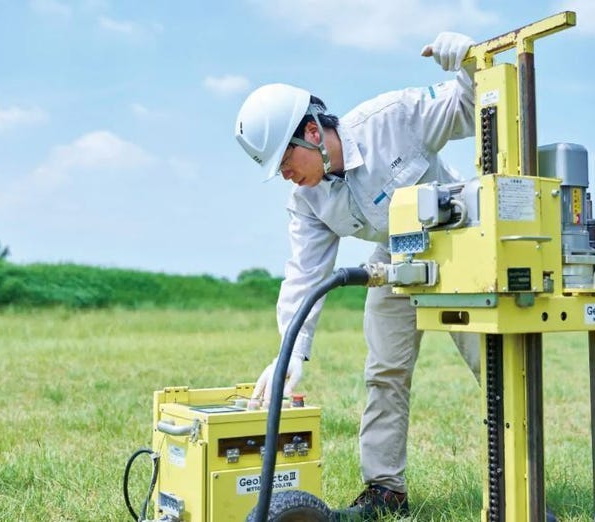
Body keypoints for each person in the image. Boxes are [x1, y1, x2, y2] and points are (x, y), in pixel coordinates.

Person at [234, 32, 481, 520]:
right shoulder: (307, 200)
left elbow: (471, 109)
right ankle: (385, 490)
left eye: (285, 161)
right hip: (397, 253)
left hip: (461, 242)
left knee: (495, 370)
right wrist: (291, 353)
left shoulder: (394, 119)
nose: (285, 175)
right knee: (384, 372)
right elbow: (304, 276)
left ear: (311, 132)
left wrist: (469, 62)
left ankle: (520, 485)